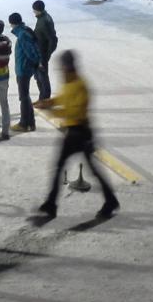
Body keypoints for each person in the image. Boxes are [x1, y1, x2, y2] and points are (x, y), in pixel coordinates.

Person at [33, 50, 120, 220]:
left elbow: (76, 113)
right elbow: (62, 99)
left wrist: (52, 111)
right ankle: (52, 203)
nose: (61, 70)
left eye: (63, 66)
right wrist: (48, 102)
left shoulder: (81, 85)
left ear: (69, 65)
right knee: (63, 167)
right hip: (72, 132)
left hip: (80, 132)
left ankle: (53, 204)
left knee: (85, 169)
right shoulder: (68, 82)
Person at [8, 12, 41, 133]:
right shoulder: (25, 31)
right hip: (25, 68)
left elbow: (30, 52)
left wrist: (35, 63)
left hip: (24, 69)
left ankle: (23, 123)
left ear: (13, 23)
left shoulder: (22, 35)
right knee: (25, 96)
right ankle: (31, 123)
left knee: (23, 96)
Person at [32, 0, 58, 101]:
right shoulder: (44, 17)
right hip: (40, 53)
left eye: (34, 10)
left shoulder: (44, 22)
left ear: (37, 10)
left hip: (41, 54)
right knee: (39, 77)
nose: (33, 12)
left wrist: (46, 56)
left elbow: (52, 40)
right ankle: (43, 97)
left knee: (42, 77)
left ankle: (45, 98)